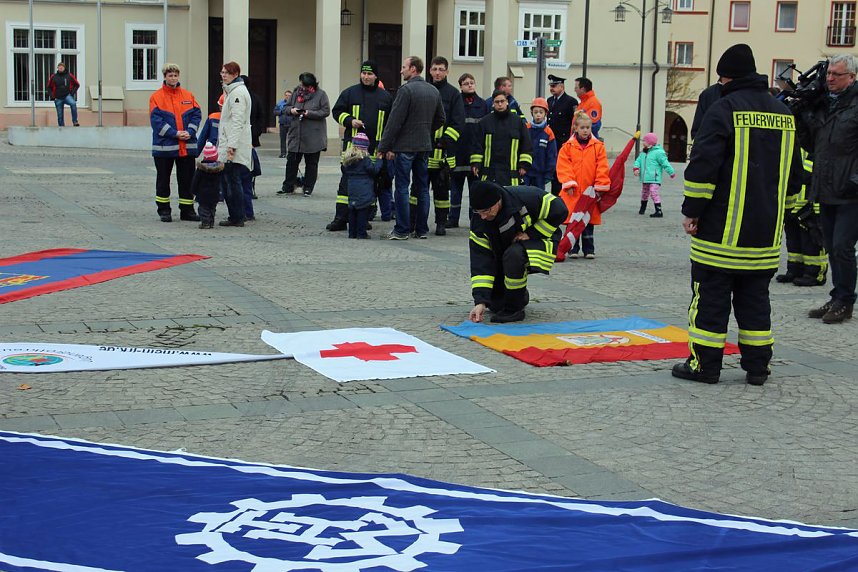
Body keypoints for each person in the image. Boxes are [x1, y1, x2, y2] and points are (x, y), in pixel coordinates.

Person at [672, 43, 801, 386]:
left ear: (726, 77)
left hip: (721, 235)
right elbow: (795, 173)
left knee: (710, 301)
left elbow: (703, 167)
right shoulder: (784, 114)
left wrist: (692, 211)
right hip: (765, 237)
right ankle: (758, 368)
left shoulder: (722, 109)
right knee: (756, 302)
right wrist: (784, 213)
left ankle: (704, 365)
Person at [797, 54, 858, 324]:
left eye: (837, 74)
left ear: (852, 77)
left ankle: (845, 301)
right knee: (832, 246)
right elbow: (813, 145)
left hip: (851, 192)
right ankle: (837, 296)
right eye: (829, 73)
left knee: (843, 247)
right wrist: (804, 116)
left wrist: (855, 181)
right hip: (826, 187)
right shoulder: (824, 104)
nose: (830, 78)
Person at [467, 181, 568, 323]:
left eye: (486, 211)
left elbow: (561, 210)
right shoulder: (479, 223)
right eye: (478, 212)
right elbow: (481, 261)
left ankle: (514, 310)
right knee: (496, 305)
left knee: (513, 255)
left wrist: (532, 234)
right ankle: (519, 295)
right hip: (506, 249)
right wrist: (480, 302)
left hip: (538, 240)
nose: (483, 216)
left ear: (498, 201)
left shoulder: (526, 197)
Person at [377, 56, 445, 240]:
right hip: (424, 146)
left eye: (404, 67)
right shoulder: (433, 90)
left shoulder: (405, 91)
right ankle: (421, 230)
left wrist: (383, 146)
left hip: (405, 147)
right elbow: (441, 118)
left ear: (413, 69)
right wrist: (426, 130)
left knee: (401, 188)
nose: (401, 71)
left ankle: (401, 230)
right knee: (422, 189)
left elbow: (394, 121)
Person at [326, 60, 392, 231]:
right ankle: (341, 218)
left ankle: (364, 219)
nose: (366, 77)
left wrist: (387, 148)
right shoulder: (350, 93)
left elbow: (390, 124)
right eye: (363, 73)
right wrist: (349, 120)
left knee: (371, 185)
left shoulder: (385, 97)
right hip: (352, 150)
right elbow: (337, 112)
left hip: (375, 149)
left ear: (376, 76)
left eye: (370, 74)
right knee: (345, 184)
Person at [149, 63, 201, 223]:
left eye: (175, 75)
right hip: (164, 147)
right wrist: (175, 133)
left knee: (187, 180)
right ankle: (164, 210)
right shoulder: (156, 97)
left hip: (186, 147)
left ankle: (187, 210)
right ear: (165, 77)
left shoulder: (188, 95)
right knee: (163, 180)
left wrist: (190, 131)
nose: (173, 78)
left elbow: (196, 115)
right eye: (170, 75)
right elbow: (156, 122)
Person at [554, 110, 610, 261]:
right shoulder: (567, 147)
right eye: (582, 128)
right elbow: (563, 166)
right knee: (573, 220)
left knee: (588, 220)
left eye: (588, 128)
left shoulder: (598, 146)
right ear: (576, 128)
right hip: (573, 191)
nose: (585, 130)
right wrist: (569, 182)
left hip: (589, 190)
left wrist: (600, 185)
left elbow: (602, 166)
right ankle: (573, 247)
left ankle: (589, 248)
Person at [423, 56, 465, 236]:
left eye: (441, 69)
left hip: (443, 153)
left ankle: (441, 222)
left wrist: (444, 141)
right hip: (423, 150)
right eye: (434, 69)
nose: (437, 73)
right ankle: (416, 222)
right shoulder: (424, 90)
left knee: (441, 190)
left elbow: (458, 122)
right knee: (417, 191)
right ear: (430, 70)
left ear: (447, 71)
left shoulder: (453, 94)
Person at [776, 151, 827, 287]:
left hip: (809, 202)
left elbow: (811, 170)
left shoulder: (815, 143)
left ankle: (815, 274)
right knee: (793, 240)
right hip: (793, 201)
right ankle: (795, 270)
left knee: (812, 240)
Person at [279, 72, 330, 197]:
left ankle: (308, 187)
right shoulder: (296, 93)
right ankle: (288, 186)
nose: (302, 87)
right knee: (291, 161)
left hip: (313, 136)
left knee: (311, 163)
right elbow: (285, 108)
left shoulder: (321, 95)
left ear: (311, 85)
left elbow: (325, 111)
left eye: (304, 85)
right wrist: (292, 110)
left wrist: (308, 113)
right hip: (296, 134)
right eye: (301, 84)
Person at [448, 73, 488, 229]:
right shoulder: (456, 103)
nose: (470, 85)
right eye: (466, 83)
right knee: (455, 189)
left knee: (475, 190)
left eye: (472, 82)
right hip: (458, 152)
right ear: (461, 86)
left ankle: (474, 219)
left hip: (474, 154)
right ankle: (453, 218)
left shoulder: (482, 104)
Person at [216, 61, 253, 227]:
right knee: (229, 181)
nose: (224, 75)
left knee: (232, 181)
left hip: (234, 145)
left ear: (235, 74)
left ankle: (237, 216)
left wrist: (231, 146)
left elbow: (238, 121)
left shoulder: (237, 92)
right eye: (222, 72)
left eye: (227, 73)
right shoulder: (231, 91)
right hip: (230, 142)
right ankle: (236, 215)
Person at [470, 89, 532, 187]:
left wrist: (524, 165)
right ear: (493, 104)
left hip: (511, 175)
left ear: (507, 102)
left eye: (502, 101)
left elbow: (526, 145)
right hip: (490, 174)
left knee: (510, 197)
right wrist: (476, 163)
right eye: (497, 102)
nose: (500, 104)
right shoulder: (485, 122)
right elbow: (477, 145)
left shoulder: (518, 122)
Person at [341, 133, 382, 239]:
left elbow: (344, 170)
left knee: (352, 210)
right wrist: (379, 161)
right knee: (362, 211)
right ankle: (361, 233)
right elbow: (373, 171)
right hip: (363, 188)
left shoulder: (348, 158)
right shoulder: (365, 159)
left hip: (352, 187)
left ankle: (352, 233)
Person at [547, 74, 578, 196]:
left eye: (554, 86)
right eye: (551, 86)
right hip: (551, 142)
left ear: (562, 86)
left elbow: (574, 123)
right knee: (552, 171)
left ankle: (560, 196)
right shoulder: (549, 101)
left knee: (561, 171)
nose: (552, 88)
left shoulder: (570, 102)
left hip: (563, 142)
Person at [633, 132, 675, 218]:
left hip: (655, 178)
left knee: (653, 192)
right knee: (644, 193)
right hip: (645, 177)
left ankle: (658, 210)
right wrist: (636, 168)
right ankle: (642, 208)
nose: (643, 142)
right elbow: (638, 161)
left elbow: (665, 163)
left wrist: (671, 172)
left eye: (644, 141)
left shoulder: (658, 153)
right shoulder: (643, 152)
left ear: (650, 143)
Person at [524, 98, 557, 190]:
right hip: (525, 172)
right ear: (532, 113)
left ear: (545, 114)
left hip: (540, 175)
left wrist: (549, 174)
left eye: (541, 112)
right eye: (535, 112)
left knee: (538, 196)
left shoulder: (548, 132)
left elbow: (552, 155)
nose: (538, 115)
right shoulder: (526, 129)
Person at [190, 142, 224, 229]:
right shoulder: (219, 169)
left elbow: (195, 181)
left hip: (203, 194)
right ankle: (211, 221)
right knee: (212, 208)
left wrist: (193, 191)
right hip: (215, 193)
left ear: (205, 156)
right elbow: (221, 182)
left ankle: (205, 222)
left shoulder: (201, 169)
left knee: (203, 209)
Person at [47, 62, 80, 127]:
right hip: (58, 98)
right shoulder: (54, 76)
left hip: (67, 96)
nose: (61, 68)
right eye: (59, 67)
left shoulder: (69, 75)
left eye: (62, 67)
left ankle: (75, 121)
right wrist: (52, 96)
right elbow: (48, 87)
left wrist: (71, 93)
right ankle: (61, 128)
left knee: (73, 104)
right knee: (60, 116)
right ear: (57, 68)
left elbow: (77, 84)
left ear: (64, 68)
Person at [274, 89, 293, 158]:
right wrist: (281, 112)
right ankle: (283, 153)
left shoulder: (294, 104)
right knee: (283, 139)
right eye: (286, 95)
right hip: (282, 124)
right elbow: (275, 112)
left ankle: (291, 153)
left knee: (291, 139)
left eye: (289, 95)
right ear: (284, 96)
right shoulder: (280, 103)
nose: (287, 97)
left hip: (291, 124)